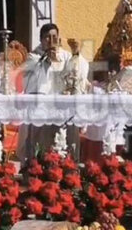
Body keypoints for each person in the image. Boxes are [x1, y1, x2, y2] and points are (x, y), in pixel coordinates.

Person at [17, 23, 89, 162]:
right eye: (47, 37)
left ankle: (67, 171)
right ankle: (38, 170)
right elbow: (29, 81)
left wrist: (76, 54)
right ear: (41, 39)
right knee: (42, 148)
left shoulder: (66, 56)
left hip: (65, 110)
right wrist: (46, 62)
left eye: (54, 37)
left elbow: (79, 72)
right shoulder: (34, 57)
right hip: (42, 112)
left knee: (64, 146)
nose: (51, 41)